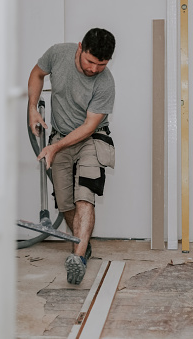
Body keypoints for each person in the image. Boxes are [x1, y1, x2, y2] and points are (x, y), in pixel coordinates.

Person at [27, 28, 116, 284]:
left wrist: (54, 148)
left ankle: (77, 257)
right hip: (61, 135)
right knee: (66, 202)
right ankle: (82, 245)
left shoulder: (105, 82)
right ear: (80, 47)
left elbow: (89, 126)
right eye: (90, 61)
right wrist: (33, 108)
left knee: (84, 196)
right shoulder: (58, 53)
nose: (93, 69)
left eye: (101, 64)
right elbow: (37, 73)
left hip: (92, 138)